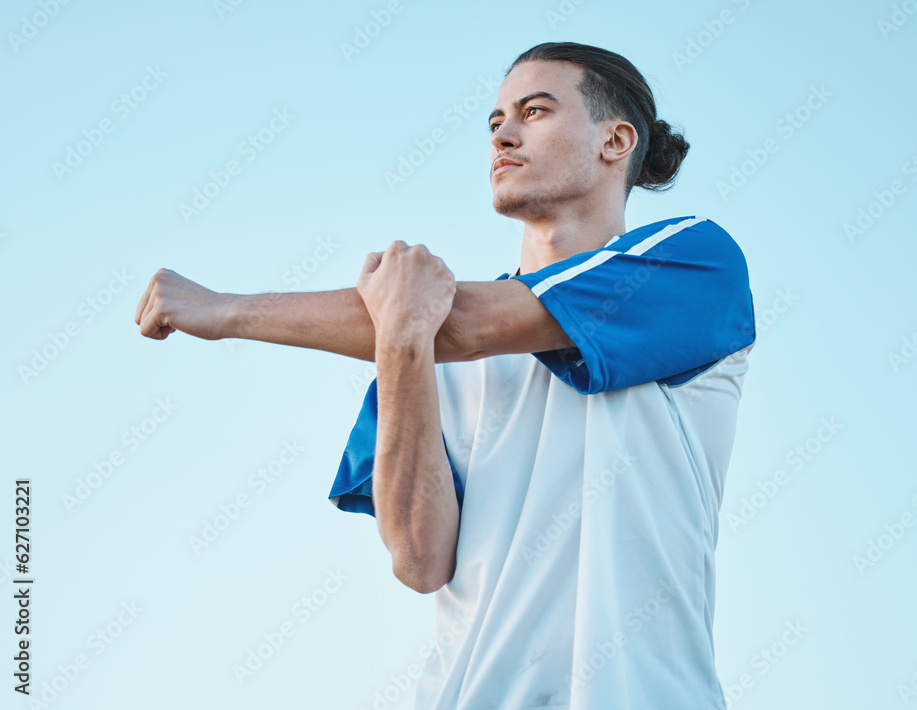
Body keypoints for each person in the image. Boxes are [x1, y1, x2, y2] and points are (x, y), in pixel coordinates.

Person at [135, 41, 755, 709]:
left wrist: (223, 308)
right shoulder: (416, 340)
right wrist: (401, 344)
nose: (504, 134)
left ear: (616, 141)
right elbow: (420, 560)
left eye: (535, 111)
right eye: (494, 122)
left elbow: (471, 325)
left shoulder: (694, 260)